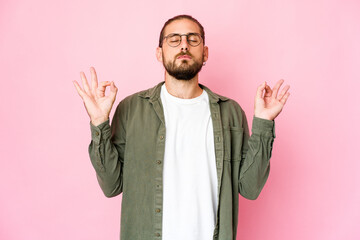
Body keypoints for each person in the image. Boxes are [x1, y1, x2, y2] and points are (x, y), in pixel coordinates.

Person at [73, 14, 290, 240]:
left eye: (193, 39)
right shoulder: (131, 109)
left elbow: (250, 188)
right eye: (174, 39)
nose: (184, 45)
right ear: (159, 53)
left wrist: (264, 123)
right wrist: (99, 123)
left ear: (205, 52)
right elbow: (111, 185)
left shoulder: (230, 113)